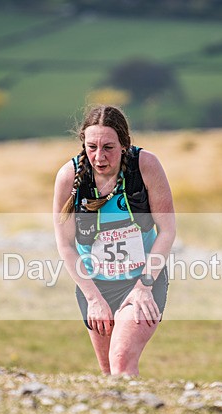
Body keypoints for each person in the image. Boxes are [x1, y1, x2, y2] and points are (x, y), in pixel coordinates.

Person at [52, 105, 176, 376]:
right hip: (94, 287)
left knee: (121, 360)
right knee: (109, 371)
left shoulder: (146, 166)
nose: (99, 156)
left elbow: (167, 230)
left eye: (108, 147)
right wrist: (93, 298)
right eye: (92, 146)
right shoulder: (69, 177)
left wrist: (145, 285)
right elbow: (65, 245)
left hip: (142, 281)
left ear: (124, 145)